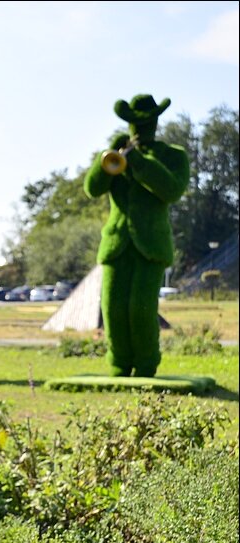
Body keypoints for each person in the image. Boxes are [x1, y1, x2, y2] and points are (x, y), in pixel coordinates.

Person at [84, 94, 189, 378]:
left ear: (155, 121)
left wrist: (138, 161)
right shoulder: (116, 151)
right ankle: (119, 364)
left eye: (144, 123)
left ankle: (145, 364)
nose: (139, 129)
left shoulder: (173, 155)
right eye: (135, 123)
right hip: (117, 244)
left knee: (141, 309)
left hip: (151, 244)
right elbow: (92, 188)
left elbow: (172, 190)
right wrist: (107, 158)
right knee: (113, 308)